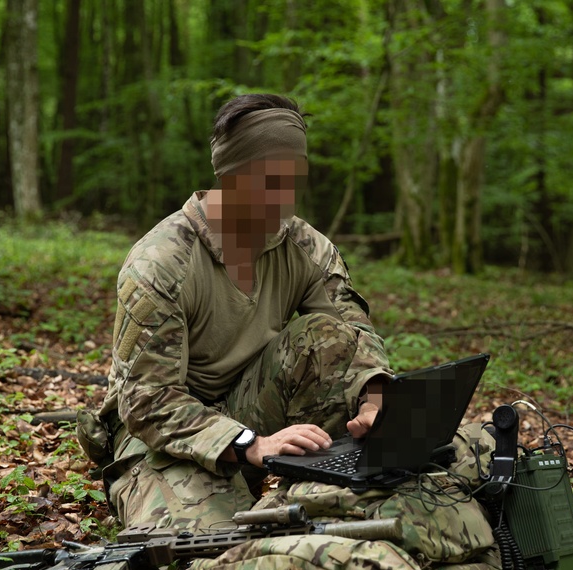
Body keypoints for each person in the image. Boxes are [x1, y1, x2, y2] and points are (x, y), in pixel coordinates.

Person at [94, 94, 392, 533]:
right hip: (162, 433)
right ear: (229, 177)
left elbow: (351, 333)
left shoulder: (304, 247)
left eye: (295, 181)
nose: (285, 199)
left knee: (324, 334)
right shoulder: (161, 262)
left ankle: (322, 476)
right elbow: (147, 400)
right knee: (207, 546)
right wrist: (250, 443)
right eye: (271, 182)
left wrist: (376, 398)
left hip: (250, 409)